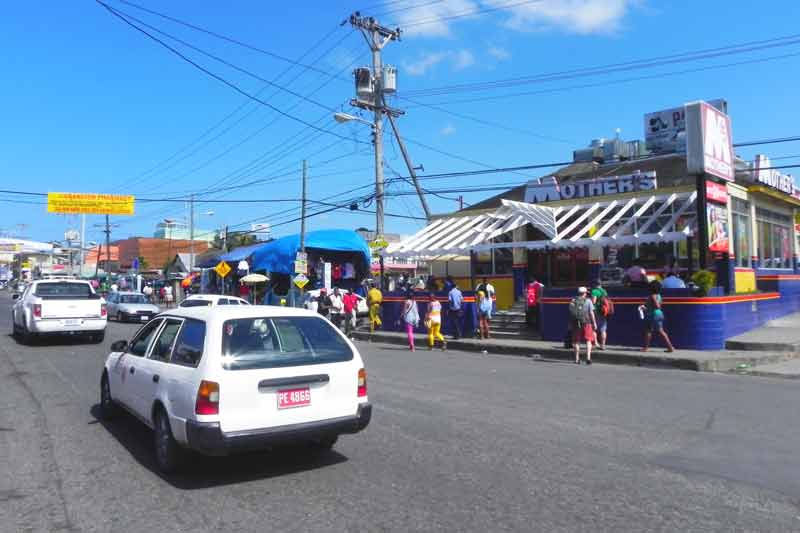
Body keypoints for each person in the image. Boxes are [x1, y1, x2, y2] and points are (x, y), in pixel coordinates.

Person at [641, 281, 675, 353]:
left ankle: (646, 348)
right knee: (661, 331)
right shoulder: (659, 296)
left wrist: (645, 308)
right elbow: (659, 305)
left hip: (653, 315)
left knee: (649, 330)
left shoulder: (652, 296)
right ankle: (670, 347)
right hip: (659, 314)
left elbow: (657, 306)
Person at [569, 286, 596, 365]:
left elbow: (571, 312)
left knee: (576, 341)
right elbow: (591, 313)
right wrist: (594, 323)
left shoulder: (573, 300)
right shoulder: (588, 301)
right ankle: (588, 358)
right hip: (587, 322)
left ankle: (577, 359)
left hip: (576, 323)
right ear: (585, 293)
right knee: (588, 340)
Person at [590, 280, 610, 351]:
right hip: (604, 312)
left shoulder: (594, 291)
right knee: (603, 329)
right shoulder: (604, 291)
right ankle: (603, 345)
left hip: (596, 311)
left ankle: (595, 343)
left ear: (595, 284)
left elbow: (593, 302)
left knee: (594, 328)